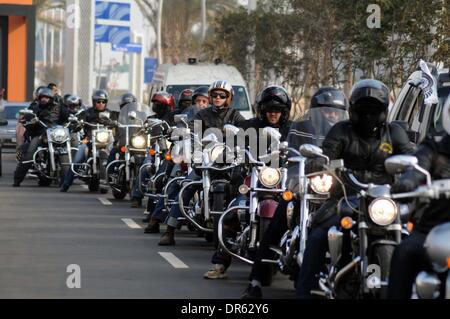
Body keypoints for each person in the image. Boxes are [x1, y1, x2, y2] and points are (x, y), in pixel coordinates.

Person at [293, 79, 414, 299]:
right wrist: (321, 163)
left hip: (383, 201)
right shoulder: (341, 130)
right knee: (319, 235)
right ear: (354, 111)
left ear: (383, 111)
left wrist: (412, 173)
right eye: (363, 110)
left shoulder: (394, 132)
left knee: (413, 234)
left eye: (373, 110)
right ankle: (304, 293)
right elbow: (326, 153)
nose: (368, 116)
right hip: (346, 197)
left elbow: (412, 157)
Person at [241, 86, 350, 298]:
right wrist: (294, 173)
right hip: (305, 185)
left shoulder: (345, 131)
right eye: (326, 110)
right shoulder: (302, 127)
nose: (331, 114)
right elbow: (292, 154)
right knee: (277, 222)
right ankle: (255, 282)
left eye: (335, 111)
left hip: (333, 191)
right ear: (316, 110)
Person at [203, 85, 292, 280]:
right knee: (235, 210)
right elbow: (232, 143)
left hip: (282, 182)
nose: (273, 114)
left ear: (284, 111)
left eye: (277, 110)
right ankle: (220, 262)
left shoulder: (292, 130)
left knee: (301, 215)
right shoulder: (249, 126)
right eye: (269, 109)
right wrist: (232, 149)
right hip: (253, 179)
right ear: (262, 110)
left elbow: (303, 149)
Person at [154, 80, 245, 246]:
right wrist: (179, 131)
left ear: (228, 98)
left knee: (242, 189)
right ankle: (170, 230)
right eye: (215, 95)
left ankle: (241, 229)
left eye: (222, 95)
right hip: (206, 160)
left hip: (229, 162)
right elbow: (190, 127)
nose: (218, 98)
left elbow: (246, 130)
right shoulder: (203, 115)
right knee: (187, 186)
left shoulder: (235, 115)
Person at [387, 100, 450, 299]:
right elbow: (417, 166)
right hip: (432, 228)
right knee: (404, 253)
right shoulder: (435, 146)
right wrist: (408, 182)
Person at [142, 86, 209, 227]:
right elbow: (173, 127)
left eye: (204, 101)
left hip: (207, 158)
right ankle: (156, 217)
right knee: (171, 179)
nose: (201, 104)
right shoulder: (186, 116)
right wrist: (172, 131)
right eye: (198, 101)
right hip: (183, 154)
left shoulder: (213, 116)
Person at [13, 88, 70, 187]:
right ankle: (17, 179)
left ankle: (66, 180)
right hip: (41, 133)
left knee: (67, 149)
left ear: (51, 98)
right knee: (30, 152)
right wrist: (28, 118)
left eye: (47, 97)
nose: (44, 99)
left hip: (56, 133)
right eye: (42, 97)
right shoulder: (36, 108)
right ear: (39, 98)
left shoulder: (59, 107)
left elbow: (67, 116)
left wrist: (72, 119)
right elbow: (28, 116)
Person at [60, 90, 115, 192]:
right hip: (89, 141)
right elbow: (78, 120)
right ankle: (66, 184)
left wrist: (117, 123)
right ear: (94, 102)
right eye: (98, 101)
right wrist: (76, 124)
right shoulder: (87, 113)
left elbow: (121, 121)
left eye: (103, 101)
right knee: (77, 159)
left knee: (118, 154)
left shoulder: (111, 114)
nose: (101, 104)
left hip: (107, 142)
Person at [130, 92, 175, 208]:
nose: (156, 106)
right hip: (155, 150)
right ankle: (136, 196)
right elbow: (142, 131)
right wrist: (140, 132)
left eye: (159, 104)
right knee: (145, 166)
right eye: (155, 103)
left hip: (171, 150)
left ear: (167, 105)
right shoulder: (151, 119)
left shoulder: (173, 118)